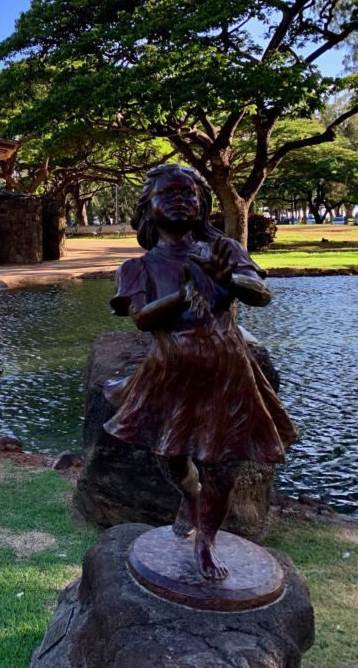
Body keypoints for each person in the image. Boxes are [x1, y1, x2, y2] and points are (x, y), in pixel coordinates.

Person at [105, 164, 297, 580]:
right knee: (171, 456)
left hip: (228, 375)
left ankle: (206, 540)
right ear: (147, 209)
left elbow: (260, 293)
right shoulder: (137, 267)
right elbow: (140, 318)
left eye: (188, 193)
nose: (179, 199)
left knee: (224, 467)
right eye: (167, 193)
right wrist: (186, 293)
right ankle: (188, 496)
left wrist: (234, 283)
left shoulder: (224, 249)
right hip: (169, 375)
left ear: (203, 206)